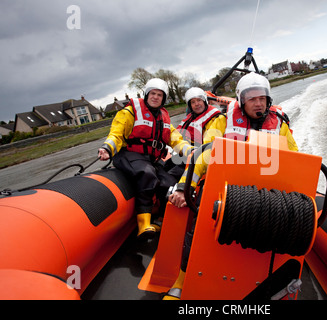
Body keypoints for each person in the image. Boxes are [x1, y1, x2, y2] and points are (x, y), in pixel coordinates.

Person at [163, 72, 298, 300]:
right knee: (199, 224)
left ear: (268, 100)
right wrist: (184, 186)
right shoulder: (224, 121)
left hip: (265, 190)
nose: (258, 103)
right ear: (241, 100)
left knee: (282, 222)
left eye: (262, 98)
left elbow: (294, 159)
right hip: (225, 187)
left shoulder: (279, 125)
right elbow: (204, 155)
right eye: (252, 99)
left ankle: (272, 282)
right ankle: (183, 279)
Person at [98, 78, 194, 240]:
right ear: (147, 95)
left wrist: (190, 151)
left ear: (163, 99)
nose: (155, 97)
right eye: (153, 93)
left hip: (149, 159)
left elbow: (175, 139)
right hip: (128, 155)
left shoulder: (163, 118)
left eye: (159, 95)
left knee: (169, 183)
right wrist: (107, 148)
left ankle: (162, 219)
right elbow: (116, 134)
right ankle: (143, 224)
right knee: (147, 173)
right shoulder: (129, 112)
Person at [165, 87, 224, 181]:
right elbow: (177, 134)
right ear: (190, 105)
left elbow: (209, 144)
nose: (196, 104)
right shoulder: (190, 117)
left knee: (171, 175)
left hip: (198, 155)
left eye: (199, 100)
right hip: (186, 152)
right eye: (193, 102)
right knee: (166, 166)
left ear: (204, 101)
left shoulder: (216, 118)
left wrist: (192, 152)